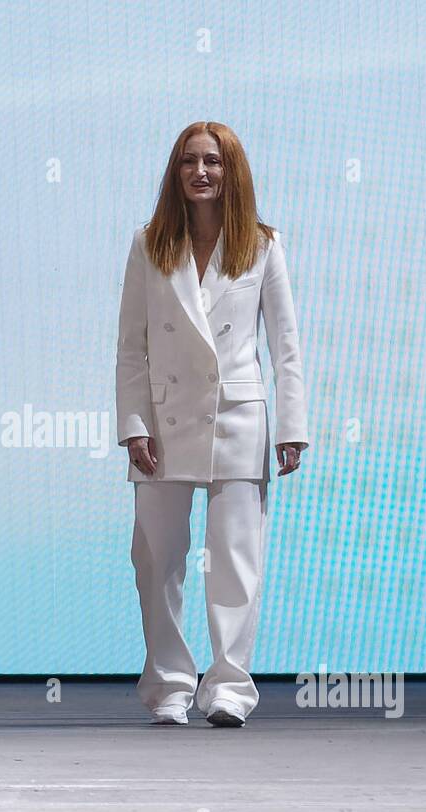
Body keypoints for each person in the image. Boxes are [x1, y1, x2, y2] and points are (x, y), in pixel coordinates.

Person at [115, 121, 310, 728]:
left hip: (238, 413)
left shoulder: (262, 244)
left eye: (213, 162)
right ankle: (171, 683)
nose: (201, 172)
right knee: (155, 559)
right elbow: (130, 346)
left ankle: (229, 684)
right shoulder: (150, 244)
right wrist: (132, 424)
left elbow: (285, 342)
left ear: (232, 172)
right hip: (164, 421)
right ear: (175, 173)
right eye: (189, 162)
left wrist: (291, 425)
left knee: (235, 559)